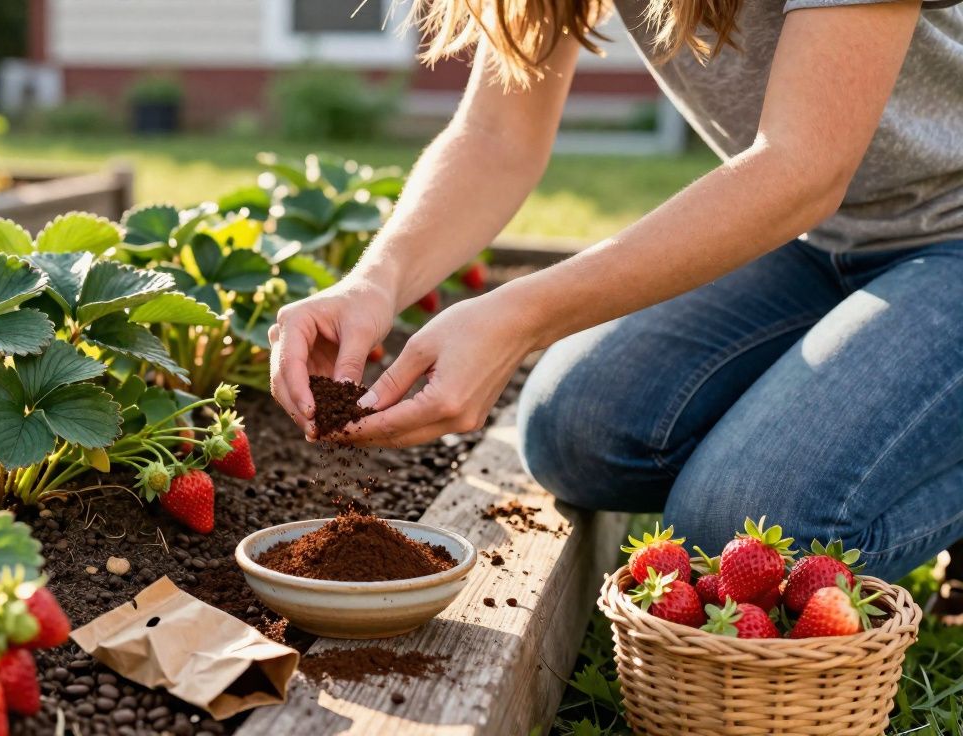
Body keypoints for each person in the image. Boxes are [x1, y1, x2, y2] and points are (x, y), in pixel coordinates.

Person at [267, 0, 963, 583]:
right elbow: (495, 136)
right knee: (575, 432)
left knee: (741, 528)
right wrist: (374, 280)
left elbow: (802, 168)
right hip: (816, 243)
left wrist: (522, 314)